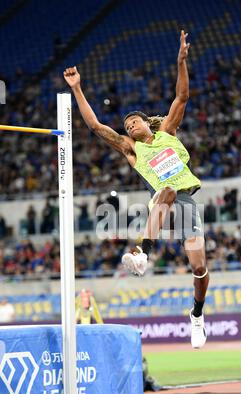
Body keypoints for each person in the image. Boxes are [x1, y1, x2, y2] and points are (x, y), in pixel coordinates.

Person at [64, 31, 208, 349]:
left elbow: (182, 97)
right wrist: (77, 89)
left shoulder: (168, 132)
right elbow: (96, 127)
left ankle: (197, 314)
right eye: (127, 126)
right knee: (166, 190)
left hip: (186, 205)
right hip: (162, 202)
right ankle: (142, 252)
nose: (129, 127)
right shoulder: (132, 151)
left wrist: (181, 61)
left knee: (199, 267)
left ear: (146, 122)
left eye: (134, 123)